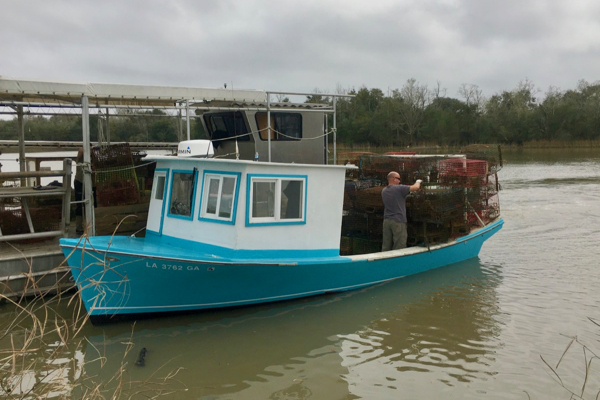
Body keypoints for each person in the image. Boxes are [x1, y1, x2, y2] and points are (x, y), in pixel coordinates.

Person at [381, 171, 422, 251]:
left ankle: (385, 262)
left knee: (386, 245)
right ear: (393, 179)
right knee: (399, 246)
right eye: (398, 179)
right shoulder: (399, 188)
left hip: (386, 221)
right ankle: (397, 262)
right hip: (398, 221)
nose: (399, 181)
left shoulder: (384, 191)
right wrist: (418, 181)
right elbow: (415, 188)